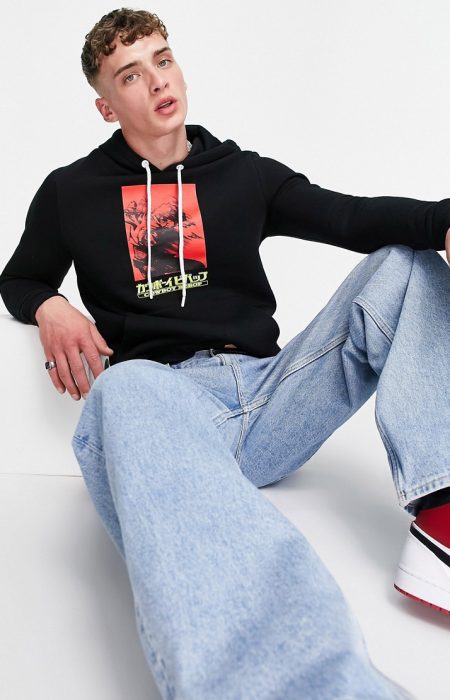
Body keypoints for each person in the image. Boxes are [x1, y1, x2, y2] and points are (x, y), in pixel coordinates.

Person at [1, 7, 449, 699]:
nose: (158, 81)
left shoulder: (242, 174)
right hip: (167, 406)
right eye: (130, 74)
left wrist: (444, 221)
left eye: (163, 60)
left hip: (273, 396)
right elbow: (19, 278)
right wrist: (50, 304)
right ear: (105, 106)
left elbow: (353, 217)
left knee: (407, 264)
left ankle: (443, 508)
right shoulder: (71, 192)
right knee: (121, 387)